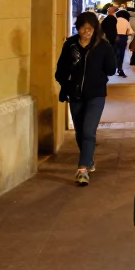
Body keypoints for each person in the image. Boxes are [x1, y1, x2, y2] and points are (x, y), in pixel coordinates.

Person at [55, 12, 118, 186]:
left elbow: (111, 69)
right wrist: (66, 83)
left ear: (95, 29)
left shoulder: (103, 45)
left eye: (90, 29)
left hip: (96, 95)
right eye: (83, 28)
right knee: (80, 131)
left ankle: (82, 169)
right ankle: (88, 159)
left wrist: (102, 68)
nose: (86, 32)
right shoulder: (70, 45)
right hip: (75, 95)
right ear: (78, 28)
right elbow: (61, 69)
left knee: (89, 131)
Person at [100, 6, 125, 78]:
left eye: (109, 9)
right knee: (117, 54)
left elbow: (103, 27)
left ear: (113, 11)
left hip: (110, 38)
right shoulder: (112, 18)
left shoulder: (110, 18)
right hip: (113, 38)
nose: (108, 10)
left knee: (111, 53)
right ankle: (117, 68)